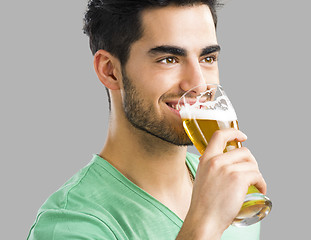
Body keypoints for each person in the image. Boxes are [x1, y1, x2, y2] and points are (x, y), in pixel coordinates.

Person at [27, 0, 267, 239]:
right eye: (169, 59)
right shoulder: (70, 224)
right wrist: (204, 225)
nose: (198, 84)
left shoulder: (231, 186)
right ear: (110, 70)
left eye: (208, 58)